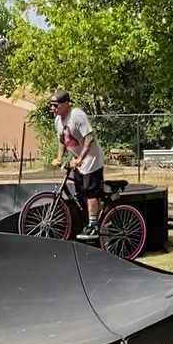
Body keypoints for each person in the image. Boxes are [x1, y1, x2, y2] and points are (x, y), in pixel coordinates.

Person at [51, 91, 105, 240]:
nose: (53, 108)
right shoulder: (58, 120)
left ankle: (94, 226)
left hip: (91, 158)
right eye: (51, 105)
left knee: (90, 192)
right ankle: (90, 220)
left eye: (55, 105)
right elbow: (62, 140)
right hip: (77, 160)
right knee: (80, 193)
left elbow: (89, 138)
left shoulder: (76, 115)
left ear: (66, 104)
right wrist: (59, 157)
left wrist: (81, 158)